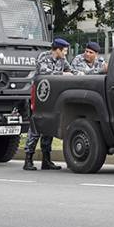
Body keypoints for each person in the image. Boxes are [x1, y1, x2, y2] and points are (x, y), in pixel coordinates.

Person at [23, 38, 72, 171]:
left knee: (49, 127)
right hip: (39, 95)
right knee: (35, 127)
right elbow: (45, 74)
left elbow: (70, 71)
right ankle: (28, 159)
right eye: (65, 51)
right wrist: (62, 74)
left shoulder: (62, 60)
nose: (65, 54)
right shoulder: (43, 57)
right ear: (58, 49)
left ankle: (46, 160)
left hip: (52, 97)